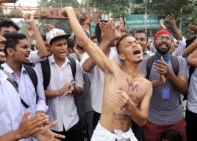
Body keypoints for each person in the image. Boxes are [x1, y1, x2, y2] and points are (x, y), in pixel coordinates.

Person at [62, 6, 153, 141]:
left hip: (128, 135)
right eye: (129, 44)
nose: (135, 45)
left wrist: (130, 105)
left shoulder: (147, 85)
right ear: (121, 56)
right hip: (104, 135)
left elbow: (142, 121)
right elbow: (86, 42)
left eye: (136, 43)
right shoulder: (112, 69)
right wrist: (70, 12)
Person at [0, 34, 65, 141]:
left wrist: (39, 114)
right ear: (10, 51)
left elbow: (41, 99)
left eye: (29, 47)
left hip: (35, 137)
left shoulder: (32, 73)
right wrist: (19, 133)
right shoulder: (1, 78)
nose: (29, 50)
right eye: (24, 47)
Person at [34, 28, 84, 141]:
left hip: (72, 122)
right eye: (58, 45)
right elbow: (38, 94)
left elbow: (81, 88)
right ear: (50, 47)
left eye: (65, 44)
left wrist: (74, 90)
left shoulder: (74, 64)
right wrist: (59, 92)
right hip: (51, 124)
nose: (63, 48)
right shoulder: (41, 66)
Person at [140, 29, 188, 141]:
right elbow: (139, 88)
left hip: (175, 118)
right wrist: (158, 83)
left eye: (167, 38)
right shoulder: (146, 62)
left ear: (171, 43)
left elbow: (184, 89)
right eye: (160, 38)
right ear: (154, 42)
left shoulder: (179, 62)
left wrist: (169, 74)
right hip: (152, 119)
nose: (164, 41)